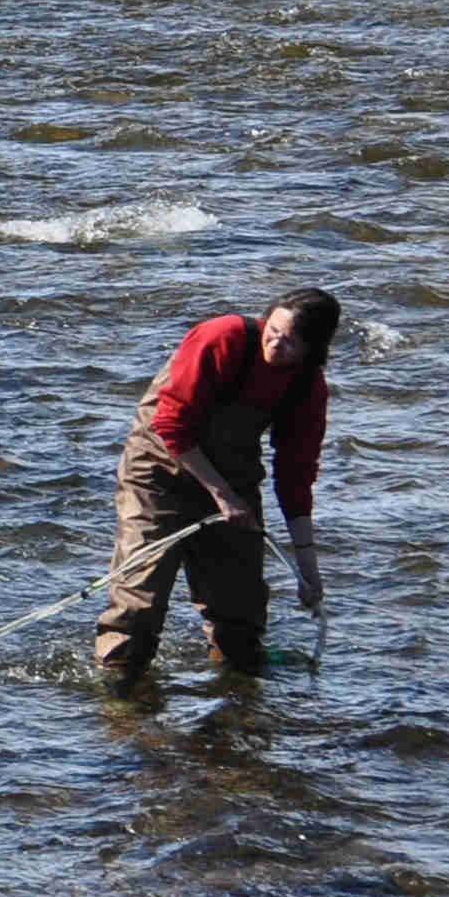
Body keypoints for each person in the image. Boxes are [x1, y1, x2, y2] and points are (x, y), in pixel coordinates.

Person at [95, 289, 340, 683]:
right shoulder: (222, 337)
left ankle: (236, 705)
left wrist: (308, 570)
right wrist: (221, 496)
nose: (274, 343)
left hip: (234, 474)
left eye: (289, 341)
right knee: (138, 601)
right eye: (272, 330)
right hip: (159, 471)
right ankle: (121, 699)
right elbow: (171, 425)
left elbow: (295, 476)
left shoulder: (307, 388)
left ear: (313, 350)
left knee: (240, 614)